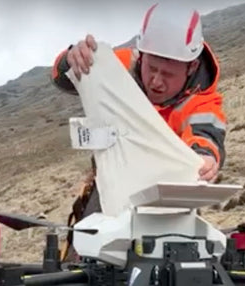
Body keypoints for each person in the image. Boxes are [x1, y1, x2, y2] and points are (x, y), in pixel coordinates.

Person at [52, 2, 227, 260]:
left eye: (168, 73)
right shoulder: (119, 67)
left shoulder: (202, 102)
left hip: (168, 206)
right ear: (141, 55)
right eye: (152, 68)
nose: (156, 81)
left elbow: (206, 137)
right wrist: (71, 57)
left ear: (190, 67)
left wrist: (206, 159)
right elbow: (62, 77)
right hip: (108, 194)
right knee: (79, 278)